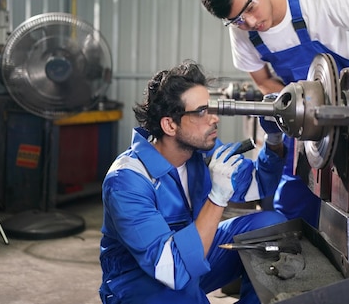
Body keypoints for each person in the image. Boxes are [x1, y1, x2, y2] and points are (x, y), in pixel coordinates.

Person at [199, 0, 349, 227]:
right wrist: (298, 107)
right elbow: (263, 81)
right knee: (294, 213)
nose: (248, 23)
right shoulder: (243, 32)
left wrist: (347, 93)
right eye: (236, 20)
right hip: (307, 130)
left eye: (250, 8)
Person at [99, 60, 287, 304]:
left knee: (271, 226)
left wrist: (273, 138)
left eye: (211, 108)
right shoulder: (126, 181)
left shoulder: (199, 153)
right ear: (169, 124)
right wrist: (217, 198)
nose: (214, 119)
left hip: (191, 258)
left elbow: (259, 184)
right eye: (201, 112)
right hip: (139, 280)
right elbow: (172, 270)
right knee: (183, 291)